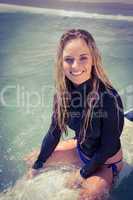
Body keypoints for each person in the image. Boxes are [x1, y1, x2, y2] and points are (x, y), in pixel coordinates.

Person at [25, 29, 124, 200]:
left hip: (106, 163)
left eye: (83, 58)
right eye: (68, 60)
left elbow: (108, 146)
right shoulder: (62, 95)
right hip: (81, 151)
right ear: (61, 62)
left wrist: (81, 174)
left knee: (88, 196)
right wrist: (37, 165)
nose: (75, 66)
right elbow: (54, 132)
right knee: (32, 159)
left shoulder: (108, 97)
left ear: (94, 59)